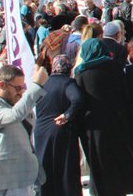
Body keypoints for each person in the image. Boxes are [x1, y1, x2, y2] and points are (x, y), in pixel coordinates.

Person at [75, 39, 133, 196]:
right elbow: (127, 95)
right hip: (120, 122)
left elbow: (80, 102)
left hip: (95, 129)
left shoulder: (81, 74)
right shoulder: (116, 68)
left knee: (101, 165)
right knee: (124, 160)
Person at [0, 65, 49, 195]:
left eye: (23, 88)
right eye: (18, 88)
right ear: (2, 85)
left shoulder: (8, 103)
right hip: (6, 181)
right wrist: (36, 85)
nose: (21, 92)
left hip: (23, 178)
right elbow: (14, 116)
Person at [34, 56, 84, 196]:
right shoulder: (68, 83)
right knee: (65, 169)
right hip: (60, 130)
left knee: (45, 167)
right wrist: (67, 115)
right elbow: (77, 99)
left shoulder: (44, 83)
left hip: (41, 131)